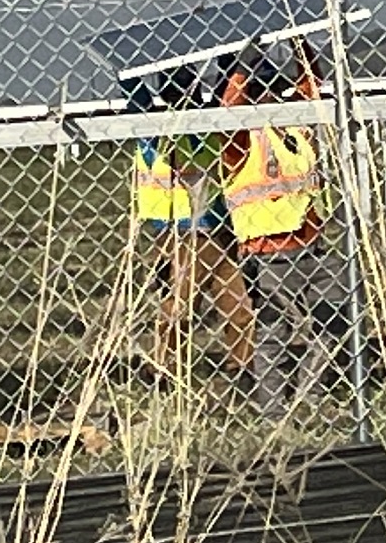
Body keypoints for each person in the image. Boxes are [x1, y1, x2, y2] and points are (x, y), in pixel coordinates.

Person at [219, 40, 337, 419]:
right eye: (260, 89)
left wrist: (301, 46)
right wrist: (246, 59)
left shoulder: (296, 130)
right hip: (266, 251)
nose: (269, 95)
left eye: (274, 88)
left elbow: (313, 91)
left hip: (311, 241)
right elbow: (229, 109)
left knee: (333, 323)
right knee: (273, 334)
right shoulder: (241, 138)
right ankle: (273, 413)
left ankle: (308, 400)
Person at [127, 65, 254, 388]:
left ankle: (240, 367)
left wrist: (238, 61)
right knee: (180, 307)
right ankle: (162, 367)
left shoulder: (210, 126)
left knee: (238, 306)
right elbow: (136, 100)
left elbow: (229, 95)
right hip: (180, 234)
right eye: (179, 90)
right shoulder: (154, 132)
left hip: (218, 232)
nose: (185, 98)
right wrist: (127, 68)